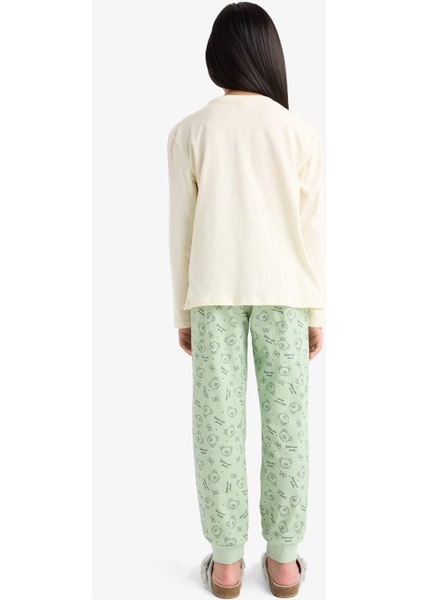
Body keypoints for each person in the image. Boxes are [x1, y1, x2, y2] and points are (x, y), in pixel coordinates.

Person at [167, 2, 324, 597]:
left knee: (217, 426)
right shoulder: (299, 133)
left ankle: (227, 564)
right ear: (268, 55)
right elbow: (311, 231)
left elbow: (182, 230)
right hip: (286, 293)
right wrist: (316, 312)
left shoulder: (190, 131)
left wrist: (182, 311)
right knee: (287, 424)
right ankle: (282, 562)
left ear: (217, 56)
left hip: (213, 292)